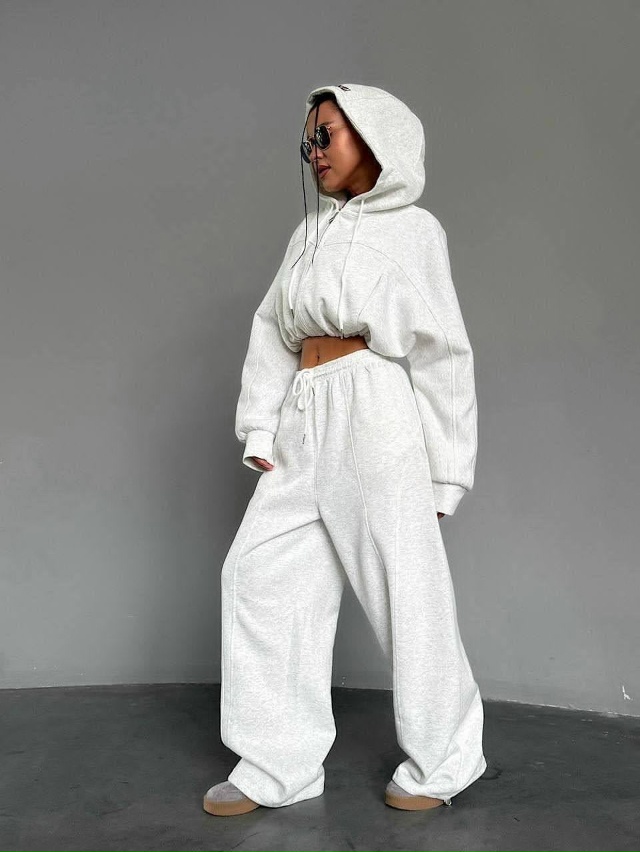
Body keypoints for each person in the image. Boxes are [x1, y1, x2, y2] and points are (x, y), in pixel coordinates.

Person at [203, 83, 487, 817]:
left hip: (374, 408)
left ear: (374, 134)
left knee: (406, 587)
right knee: (260, 576)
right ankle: (279, 764)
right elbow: (272, 330)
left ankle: (446, 758)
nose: (315, 151)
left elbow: (444, 353)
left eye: (326, 134)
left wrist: (446, 474)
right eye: (308, 140)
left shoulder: (415, 231)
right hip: (305, 409)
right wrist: (260, 427)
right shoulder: (308, 233)